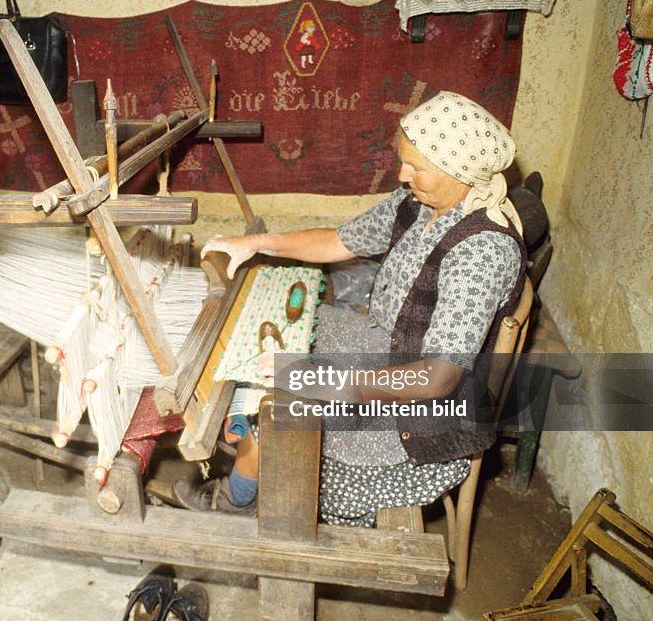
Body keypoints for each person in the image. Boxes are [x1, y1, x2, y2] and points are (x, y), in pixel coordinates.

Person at [172, 91, 527, 526]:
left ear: (463, 172)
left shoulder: (483, 252)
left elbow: (438, 377)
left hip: (421, 425)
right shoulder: (417, 205)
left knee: (282, 406)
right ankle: (251, 460)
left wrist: (321, 379)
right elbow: (341, 240)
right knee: (287, 334)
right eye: (404, 160)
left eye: (418, 167)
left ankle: (241, 498)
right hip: (389, 351)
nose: (402, 173)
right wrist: (257, 244)